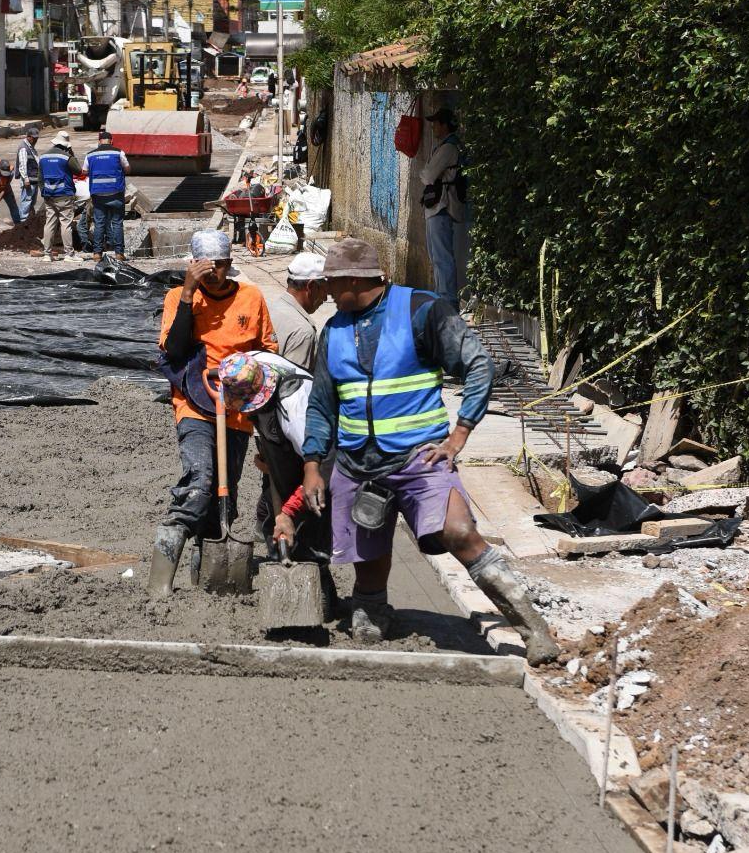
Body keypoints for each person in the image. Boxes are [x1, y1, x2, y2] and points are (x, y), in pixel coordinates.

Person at [299, 238, 560, 662]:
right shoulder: (335, 330)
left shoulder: (421, 310)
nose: (326, 291)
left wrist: (460, 435)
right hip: (358, 464)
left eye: (331, 282)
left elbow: (478, 364)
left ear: (354, 280)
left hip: (420, 457)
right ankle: (372, 608)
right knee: (368, 562)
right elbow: (321, 403)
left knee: (459, 532)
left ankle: (532, 628)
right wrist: (313, 464)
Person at [147, 229, 277, 596]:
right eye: (205, 266)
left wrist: (251, 382)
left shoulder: (251, 298)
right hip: (195, 402)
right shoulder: (178, 297)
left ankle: (206, 576)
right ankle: (160, 581)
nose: (213, 273)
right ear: (193, 265)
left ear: (230, 264)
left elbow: (268, 352)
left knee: (224, 496)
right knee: (199, 483)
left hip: (237, 410)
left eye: (219, 265)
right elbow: (173, 350)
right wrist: (189, 292)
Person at [218, 350, 330, 566]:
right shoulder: (249, 363)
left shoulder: (295, 410)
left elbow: (322, 469)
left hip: (321, 457)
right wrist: (270, 461)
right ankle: (279, 555)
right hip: (290, 440)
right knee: (273, 512)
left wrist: (289, 512)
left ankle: (313, 564)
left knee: (308, 523)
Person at [419, 107, 470, 303]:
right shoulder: (445, 146)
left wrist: (427, 172)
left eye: (436, 123)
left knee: (442, 257)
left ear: (445, 125)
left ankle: (447, 301)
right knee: (437, 257)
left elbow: (427, 176)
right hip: (438, 207)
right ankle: (443, 299)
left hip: (441, 207)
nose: (433, 127)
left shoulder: (448, 148)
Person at [268, 249, 328, 368]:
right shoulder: (303, 333)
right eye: (325, 290)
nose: (325, 298)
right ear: (311, 286)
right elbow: (294, 379)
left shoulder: (269, 309)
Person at [38, 131, 84, 262]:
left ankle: (47, 254)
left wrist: (44, 192)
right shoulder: (66, 157)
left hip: (49, 196)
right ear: (66, 145)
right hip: (64, 195)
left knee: (49, 224)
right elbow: (79, 171)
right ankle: (69, 254)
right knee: (66, 224)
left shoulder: (43, 157)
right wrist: (71, 154)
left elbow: (40, 178)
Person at [85, 129, 130, 260]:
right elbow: (127, 168)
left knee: (99, 223)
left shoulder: (90, 155)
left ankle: (97, 253)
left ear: (99, 141)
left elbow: (84, 170)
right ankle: (119, 253)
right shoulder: (119, 152)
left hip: (98, 194)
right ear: (112, 141)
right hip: (116, 193)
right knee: (117, 223)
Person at [229, 172, 266, 249]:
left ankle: (246, 240)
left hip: (246, 206)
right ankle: (244, 240)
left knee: (243, 219)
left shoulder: (250, 189)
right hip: (246, 206)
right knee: (242, 219)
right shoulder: (246, 188)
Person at [14, 128, 41, 221]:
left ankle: (29, 220)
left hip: (34, 179)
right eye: (34, 138)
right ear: (28, 137)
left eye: (37, 138)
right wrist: (26, 179)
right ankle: (23, 221)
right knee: (26, 201)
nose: (36, 140)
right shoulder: (24, 148)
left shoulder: (31, 147)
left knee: (31, 202)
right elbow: (22, 165)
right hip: (29, 180)